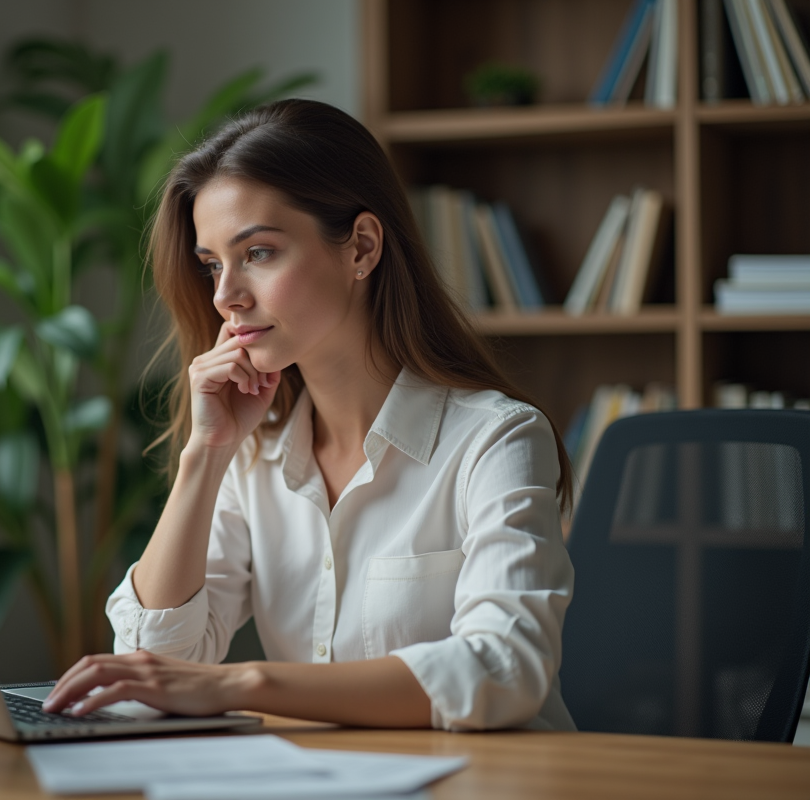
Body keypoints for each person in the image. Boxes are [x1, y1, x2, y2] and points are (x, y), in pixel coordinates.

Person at [43, 99, 576, 731]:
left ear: (362, 248)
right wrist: (205, 455)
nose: (225, 296)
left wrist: (241, 684)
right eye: (213, 264)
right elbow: (155, 663)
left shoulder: (495, 439)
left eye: (259, 253)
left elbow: (504, 670)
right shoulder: (252, 454)